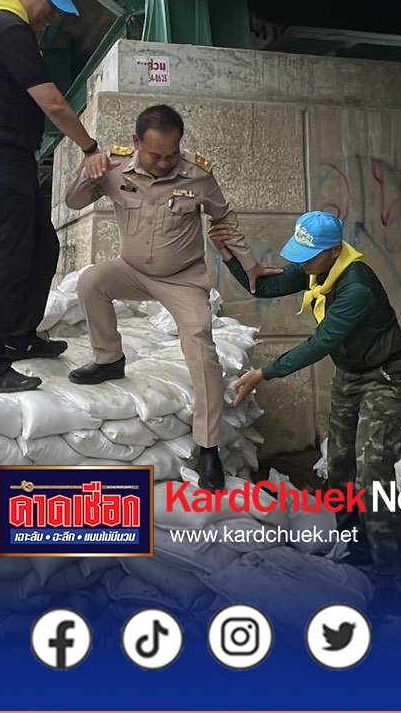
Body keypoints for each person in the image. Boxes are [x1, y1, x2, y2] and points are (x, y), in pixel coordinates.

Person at [64, 104, 278, 490]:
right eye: (155, 155)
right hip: (131, 271)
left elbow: (224, 218)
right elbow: (74, 203)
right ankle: (109, 359)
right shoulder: (114, 168)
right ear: (135, 143)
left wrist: (250, 265)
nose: (164, 163)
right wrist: (87, 172)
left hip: (182, 280)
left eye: (171, 155)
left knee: (201, 347)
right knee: (91, 281)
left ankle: (208, 447)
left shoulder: (196, 175)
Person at [219, 212, 401, 611]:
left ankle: (393, 577)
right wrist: (230, 258)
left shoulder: (356, 286)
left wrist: (264, 373)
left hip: (386, 377)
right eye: (301, 255)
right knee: (339, 465)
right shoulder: (317, 269)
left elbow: (320, 343)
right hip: (352, 374)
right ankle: (355, 550)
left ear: (335, 251)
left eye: (310, 256)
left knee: (372, 472)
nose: (303, 263)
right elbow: (265, 287)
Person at [0, 0, 110, 393]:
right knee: (6, 259)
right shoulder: (8, 27)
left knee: (43, 248)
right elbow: (55, 103)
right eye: (51, 4)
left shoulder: (6, 26)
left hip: (11, 155)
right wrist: (90, 148)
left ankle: (20, 337)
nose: (53, 17)